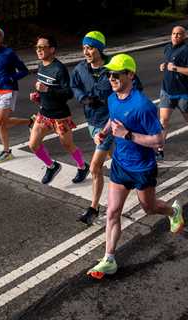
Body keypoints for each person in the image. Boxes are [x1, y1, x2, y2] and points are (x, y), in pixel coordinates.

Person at [86, 54, 185, 280]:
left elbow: (158, 141)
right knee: (112, 212)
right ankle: (109, 259)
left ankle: (172, 211)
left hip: (142, 167)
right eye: (109, 74)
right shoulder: (112, 98)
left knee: (149, 209)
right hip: (121, 163)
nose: (111, 78)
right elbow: (113, 120)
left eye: (116, 74)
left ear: (130, 75)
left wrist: (127, 135)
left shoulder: (143, 106)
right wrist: (105, 131)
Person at [28, 35, 90, 184]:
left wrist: (47, 90)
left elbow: (68, 93)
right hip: (43, 113)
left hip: (60, 116)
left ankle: (82, 167)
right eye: (37, 47)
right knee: (33, 145)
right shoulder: (41, 65)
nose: (39, 50)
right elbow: (45, 90)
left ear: (52, 49)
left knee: (67, 145)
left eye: (42, 47)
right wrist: (38, 95)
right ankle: (51, 166)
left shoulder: (59, 68)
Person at [70, 31, 114, 224]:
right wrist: (82, 97)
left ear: (100, 49)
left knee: (95, 167)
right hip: (92, 121)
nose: (86, 51)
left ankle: (93, 208)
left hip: (110, 122)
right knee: (115, 157)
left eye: (90, 47)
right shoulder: (80, 68)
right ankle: (135, 177)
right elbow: (75, 85)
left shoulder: (114, 67)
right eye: (84, 47)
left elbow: (131, 86)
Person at [0, 26, 33, 163]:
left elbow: (24, 70)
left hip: (9, 90)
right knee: (3, 123)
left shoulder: (9, 53)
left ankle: (7, 151)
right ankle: (31, 122)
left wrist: (11, 78)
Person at [157, 25, 188, 161]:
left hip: (182, 92)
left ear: (184, 36)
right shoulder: (167, 48)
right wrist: (163, 66)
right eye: (173, 33)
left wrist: (176, 68)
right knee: (163, 120)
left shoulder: (187, 51)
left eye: (179, 34)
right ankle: (160, 150)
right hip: (166, 90)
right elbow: (168, 62)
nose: (175, 36)